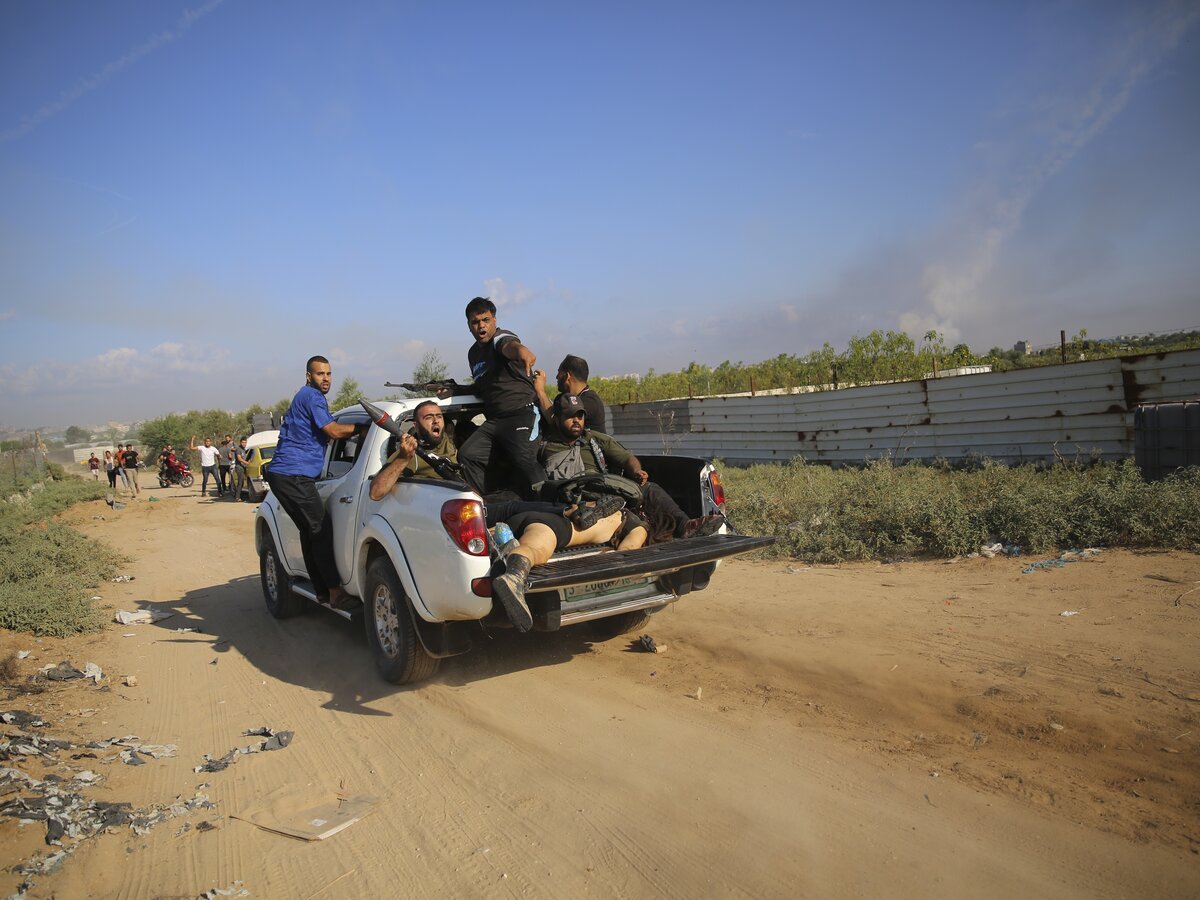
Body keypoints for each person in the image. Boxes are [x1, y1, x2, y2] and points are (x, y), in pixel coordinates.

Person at [540, 395, 724, 543]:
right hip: (572, 498)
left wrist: (636, 471)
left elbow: (627, 457)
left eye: (580, 416)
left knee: (649, 489)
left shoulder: (593, 439)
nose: (576, 421)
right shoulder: (544, 447)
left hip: (603, 490)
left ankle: (686, 526)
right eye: (570, 416)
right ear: (556, 419)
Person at [266, 355, 363, 609]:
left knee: (310, 532)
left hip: (284, 475)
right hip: (294, 475)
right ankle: (334, 592)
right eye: (320, 374)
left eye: (329, 374)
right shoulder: (312, 397)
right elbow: (333, 431)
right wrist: (363, 429)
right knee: (320, 530)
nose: (326, 379)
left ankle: (322, 592)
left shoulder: (305, 397)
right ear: (309, 376)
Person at [448, 297, 547, 499]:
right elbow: (482, 388)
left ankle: (551, 503)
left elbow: (510, 346)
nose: (481, 326)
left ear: (494, 319)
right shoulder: (473, 354)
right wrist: (453, 390)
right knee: (469, 454)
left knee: (524, 460)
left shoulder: (500, 338)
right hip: (495, 421)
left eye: (485, 320)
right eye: (475, 322)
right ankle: (487, 504)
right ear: (468, 326)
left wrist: (523, 352)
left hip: (522, 413)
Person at [533, 354, 608, 435]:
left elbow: (555, 420)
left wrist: (540, 391)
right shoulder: (562, 398)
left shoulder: (590, 401)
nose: (556, 377)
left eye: (559, 372)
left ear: (567, 376)